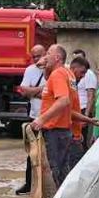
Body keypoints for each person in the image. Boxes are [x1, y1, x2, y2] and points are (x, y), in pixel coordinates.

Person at [31, 44, 76, 186]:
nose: (44, 57)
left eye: (48, 53)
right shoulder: (67, 73)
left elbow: (63, 100)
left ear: (57, 57)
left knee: (53, 172)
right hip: (63, 130)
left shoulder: (57, 75)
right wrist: (44, 65)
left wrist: (41, 119)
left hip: (54, 131)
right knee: (62, 170)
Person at [14, 45, 48, 195]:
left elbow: (51, 93)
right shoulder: (30, 70)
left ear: (45, 54)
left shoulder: (53, 69)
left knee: (48, 153)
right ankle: (29, 184)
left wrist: (33, 92)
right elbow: (23, 91)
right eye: (33, 57)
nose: (36, 60)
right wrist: (42, 91)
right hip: (34, 116)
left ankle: (47, 185)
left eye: (38, 56)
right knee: (32, 152)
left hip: (50, 118)